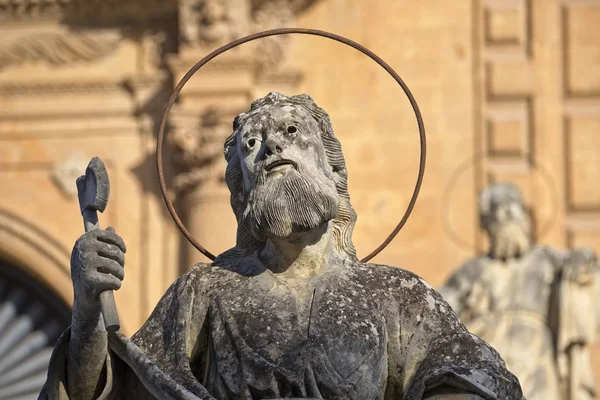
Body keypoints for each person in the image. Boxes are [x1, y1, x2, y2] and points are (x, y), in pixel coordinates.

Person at [40, 93, 523, 400]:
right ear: (241, 192)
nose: (271, 147)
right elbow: (106, 391)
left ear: (332, 170)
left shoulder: (396, 295)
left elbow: (476, 378)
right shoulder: (203, 293)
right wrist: (86, 311)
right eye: (253, 144)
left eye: (291, 133)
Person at [440, 182, 599, 400]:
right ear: (488, 226)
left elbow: (585, 273)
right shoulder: (473, 271)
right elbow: (440, 311)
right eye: (502, 218)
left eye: (515, 215)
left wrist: (583, 261)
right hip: (490, 355)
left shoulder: (546, 260)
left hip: (538, 359)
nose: (510, 222)